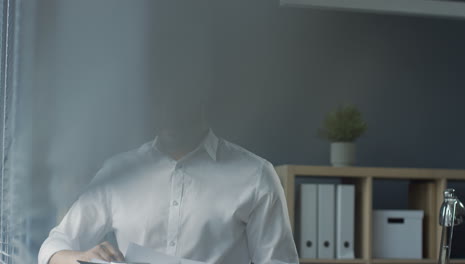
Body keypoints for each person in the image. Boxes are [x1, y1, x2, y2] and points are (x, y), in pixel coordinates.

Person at [38, 90, 299, 264]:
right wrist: (82, 257)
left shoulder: (256, 175)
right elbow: (53, 246)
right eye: (159, 99)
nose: (169, 109)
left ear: (202, 96)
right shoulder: (118, 173)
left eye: (178, 98)